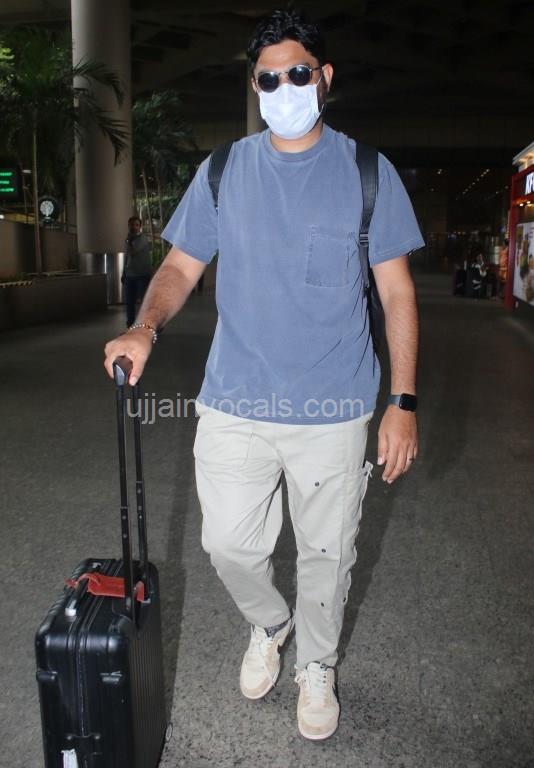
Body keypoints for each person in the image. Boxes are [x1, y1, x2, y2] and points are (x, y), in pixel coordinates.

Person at [104, 9, 423, 741]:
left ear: (324, 78)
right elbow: (181, 265)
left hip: (334, 405)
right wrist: (144, 327)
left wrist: (401, 401)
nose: (284, 89)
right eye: (268, 79)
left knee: (326, 556)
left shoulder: (367, 173)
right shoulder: (224, 171)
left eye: (297, 74)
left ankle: (317, 663)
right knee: (228, 545)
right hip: (235, 399)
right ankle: (271, 623)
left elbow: (397, 293)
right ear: (255, 86)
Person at [122, 216, 153, 326]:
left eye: (136, 225)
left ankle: (147, 324)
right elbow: (127, 257)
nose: (134, 227)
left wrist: (129, 241)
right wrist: (123, 273)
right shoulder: (128, 240)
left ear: (140, 227)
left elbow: (133, 252)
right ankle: (130, 324)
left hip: (142, 275)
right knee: (129, 301)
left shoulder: (143, 238)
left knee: (144, 301)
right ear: (128, 226)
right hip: (130, 275)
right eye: (131, 225)